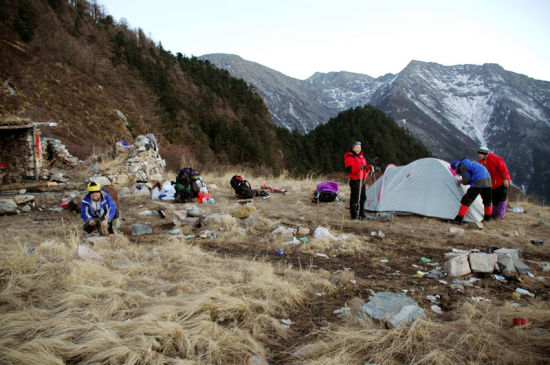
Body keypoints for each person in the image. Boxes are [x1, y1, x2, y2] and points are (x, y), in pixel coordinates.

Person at [450, 159, 492, 223]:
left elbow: (466, 180)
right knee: (487, 200)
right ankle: (488, 217)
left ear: (455, 167)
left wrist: (461, 181)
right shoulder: (470, 163)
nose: (455, 171)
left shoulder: (462, 167)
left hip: (478, 181)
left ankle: (459, 219)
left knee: (467, 199)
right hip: (488, 181)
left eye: (454, 170)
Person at [477, 146, 511, 219]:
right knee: (494, 198)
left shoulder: (495, 159)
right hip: (492, 184)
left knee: (502, 198)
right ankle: (494, 213)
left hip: (501, 182)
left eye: (480, 153)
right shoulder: (481, 162)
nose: (479, 155)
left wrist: (505, 178)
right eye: (478, 153)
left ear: (484, 153)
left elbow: (503, 169)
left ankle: (500, 215)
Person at [344, 141, 374, 220]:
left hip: (362, 180)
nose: (358, 149)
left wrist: (369, 168)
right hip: (355, 181)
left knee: (363, 197)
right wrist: (360, 167)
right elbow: (350, 169)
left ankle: (361, 215)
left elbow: (364, 169)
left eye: (359, 147)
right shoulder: (350, 157)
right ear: (352, 148)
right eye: (357, 147)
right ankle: (354, 216)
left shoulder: (362, 157)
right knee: (355, 198)